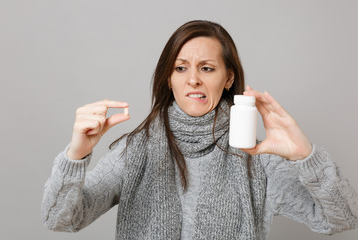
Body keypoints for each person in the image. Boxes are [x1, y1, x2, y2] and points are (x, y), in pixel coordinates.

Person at [42, 20, 358, 240]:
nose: (193, 79)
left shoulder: (256, 159)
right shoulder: (133, 152)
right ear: (169, 78)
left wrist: (306, 156)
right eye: (181, 68)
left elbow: (343, 217)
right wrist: (77, 154)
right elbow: (61, 220)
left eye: (206, 68)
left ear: (229, 78)